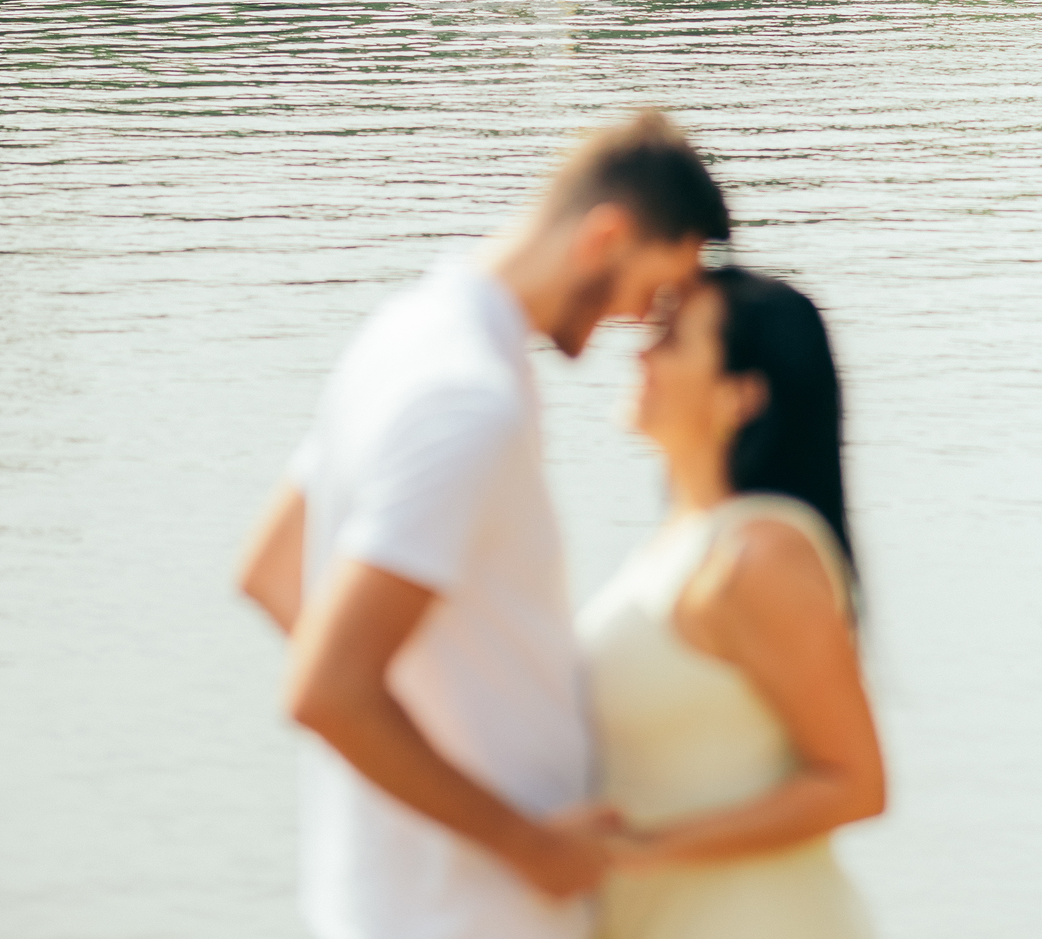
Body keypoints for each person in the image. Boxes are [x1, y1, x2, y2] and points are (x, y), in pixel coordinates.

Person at [237, 112, 730, 939]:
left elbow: (275, 573)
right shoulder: (468, 400)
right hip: (462, 910)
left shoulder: (405, 335)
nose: (639, 323)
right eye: (649, 293)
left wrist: (429, 723)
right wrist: (528, 845)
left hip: (402, 897)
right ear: (604, 236)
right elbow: (327, 687)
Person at [580, 267, 885, 939]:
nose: (638, 352)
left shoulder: (760, 553)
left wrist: (642, 851)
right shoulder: (678, 545)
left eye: (670, 339)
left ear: (739, 396)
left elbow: (855, 781)